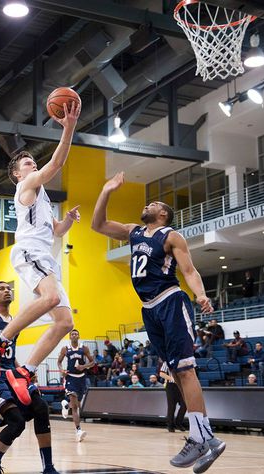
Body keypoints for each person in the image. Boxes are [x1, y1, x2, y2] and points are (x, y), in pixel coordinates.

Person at [91, 171, 224, 473]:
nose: (148, 204)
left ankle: (200, 437)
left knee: (185, 371)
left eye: (153, 203)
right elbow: (97, 225)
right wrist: (106, 189)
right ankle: (207, 439)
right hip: (148, 309)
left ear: (162, 214)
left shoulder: (171, 236)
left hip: (170, 301)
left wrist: (201, 295)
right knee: (177, 373)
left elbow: (189, 271)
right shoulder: (134, 232)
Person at [0, 101, 81, 406]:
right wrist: (69, 127)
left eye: (32, 162)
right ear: (16, 174)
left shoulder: (42, 197)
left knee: (65, 323)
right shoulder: (26, 185)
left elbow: (57, 231)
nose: (32, 164)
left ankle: (25, 370)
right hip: (28, 251)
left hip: (43, 254)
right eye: (26, 163)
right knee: (49, 299)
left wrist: (68, 222)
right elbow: (57, 165)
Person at [0, 281, 59, 474]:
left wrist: (25, 372)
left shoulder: (16, 321)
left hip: (11, 374)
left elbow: (10, 356)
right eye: (2, 289)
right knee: (16, 422)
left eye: (9, 288)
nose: (7, 290)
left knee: (40, 408)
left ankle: (48, 467)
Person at [57, 328, 95, 442]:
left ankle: (65, 405)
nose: (74, 335)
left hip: (81, 379)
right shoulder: (65, 349)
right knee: (75, 407)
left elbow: (93, 362)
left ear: (78, 336)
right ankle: (78, 430)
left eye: (76, 334)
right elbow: (59, 362)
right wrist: (61, 370)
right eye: (72, 334)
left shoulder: (84, 348)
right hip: (70, 378)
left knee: (77, 405)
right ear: (70, 337)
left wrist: (83, 367)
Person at [159, 361, 186, 432]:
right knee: (172, 406)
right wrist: (172, 378)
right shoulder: (166, 362)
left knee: (185, 404)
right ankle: (170, 425)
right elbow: (161, 373)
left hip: (181, 385)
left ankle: (178, 422)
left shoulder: (183, 361)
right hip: (171, 386)